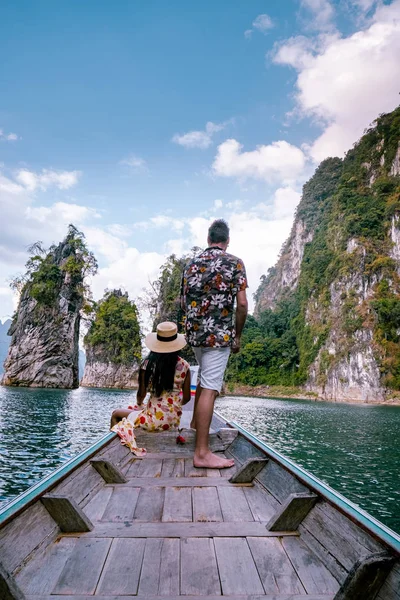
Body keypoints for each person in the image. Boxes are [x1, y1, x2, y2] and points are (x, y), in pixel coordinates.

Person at [181, 219, 248, 469]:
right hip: (219, 336)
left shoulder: (190, 265)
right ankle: (201, 453)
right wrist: (237, 335)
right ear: (226, 241)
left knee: (204, 381)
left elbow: (182, 302)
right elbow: (241, 304)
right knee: (210, 387)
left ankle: (195, 427)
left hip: (196, 335)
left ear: (208, 239)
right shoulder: (235, 262)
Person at [110, 321, 191, 454]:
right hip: (173, 420)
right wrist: (172, 406)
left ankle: (115, 452)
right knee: (132, 410)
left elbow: (141, 394)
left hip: (153, 421)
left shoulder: (148, 364)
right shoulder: (185, 366)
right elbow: (187, 398)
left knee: (116, 414)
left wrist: (140, 404)